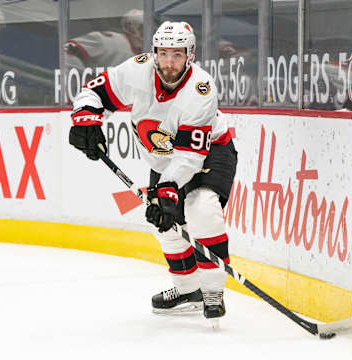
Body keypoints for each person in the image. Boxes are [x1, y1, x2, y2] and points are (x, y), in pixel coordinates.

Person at [68, 21, 237, 322]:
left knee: (201, 208)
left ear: (190, 55)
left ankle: (213, 291)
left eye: (177, 54)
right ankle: (188, 289)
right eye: (163, 53)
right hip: (164, 160)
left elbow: (189, 156)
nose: (169, 62)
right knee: (163, 223)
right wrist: (86, 119)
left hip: (210, 152)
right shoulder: (138, 70)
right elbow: (95, 91)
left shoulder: (201, 90)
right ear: (154, 53)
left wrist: (169, 188)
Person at [64, 9, 144, 73]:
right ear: (131, 28)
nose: (152, 32)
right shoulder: (108, 42)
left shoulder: (148, 53)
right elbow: (68, 48)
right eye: (143, 27)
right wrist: (82, 75)